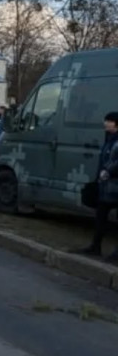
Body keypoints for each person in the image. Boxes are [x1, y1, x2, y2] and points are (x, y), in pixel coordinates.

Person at [73, 112, 118, 263]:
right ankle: (95, 246)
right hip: (105, 185)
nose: (106, 123)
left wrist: (108, 171)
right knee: (100, 216)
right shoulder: (109, 139)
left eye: (109, 121)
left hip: (115, 185)